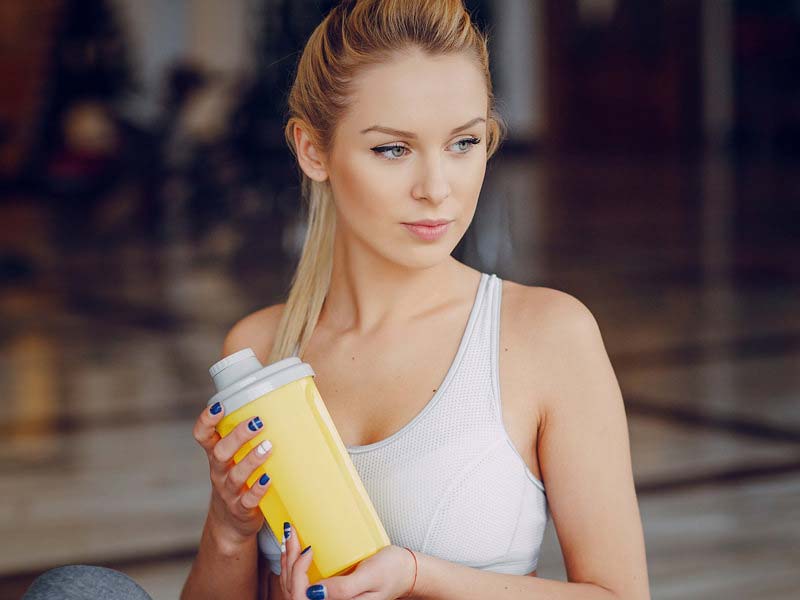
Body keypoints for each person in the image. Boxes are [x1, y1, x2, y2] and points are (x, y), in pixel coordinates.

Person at [24, 1, 650, 599]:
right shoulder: (261, 349)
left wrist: (414, 575)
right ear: (312, 150)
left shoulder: (546, 334)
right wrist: (229, 526)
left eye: (463, 143)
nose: (437, 189)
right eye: (392, 149)